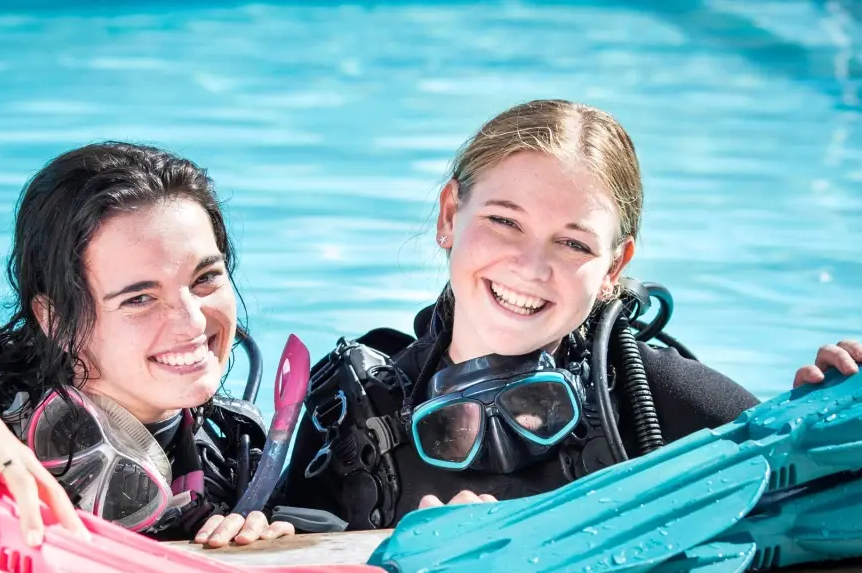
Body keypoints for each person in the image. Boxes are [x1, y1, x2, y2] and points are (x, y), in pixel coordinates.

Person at [279, 99, 862, 530]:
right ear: (450, 215)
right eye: (504, 221)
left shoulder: (653, 400)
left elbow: (820, 507)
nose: (531, 267)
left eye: (574, 243)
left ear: (614, 266)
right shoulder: (355, 414)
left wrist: (827, 427)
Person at [0, 142, 295, 549]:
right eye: (139, 298)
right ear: (57, 321)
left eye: (206, 278)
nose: (193, 321)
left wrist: (261, 541)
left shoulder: (233, 455)